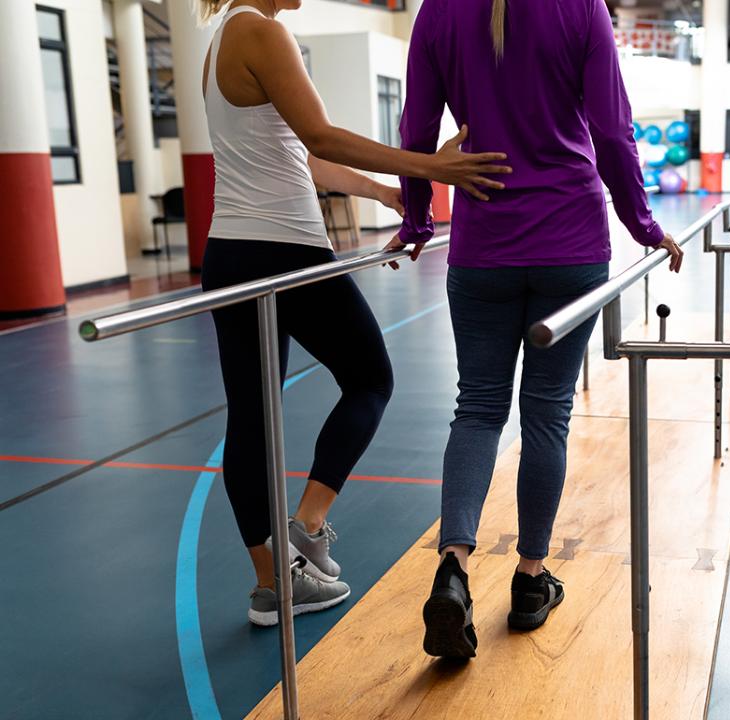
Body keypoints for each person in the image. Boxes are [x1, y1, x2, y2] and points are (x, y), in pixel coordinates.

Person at [195, 0, 511, 626]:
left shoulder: (220, 37)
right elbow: (320, 136)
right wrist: (431, 167)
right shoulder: (263, 31)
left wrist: (390, 192)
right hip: (282, 252)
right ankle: (308, 524)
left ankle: (274, 584)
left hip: (231, 252)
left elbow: (300, 156)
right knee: (370, 379)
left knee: (252, 417)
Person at [387, 0, 684, 658]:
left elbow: (416, 129)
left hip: (482, 246)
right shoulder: (580, 7)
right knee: (546, 413)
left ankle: (454, 569)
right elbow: (613, 133)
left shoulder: (438, 11)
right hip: (570, 243)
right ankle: (529, 579)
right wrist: (643, 227)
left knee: (479, 407)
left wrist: (416, 220)